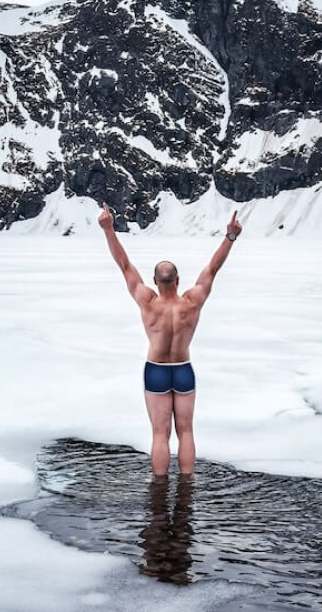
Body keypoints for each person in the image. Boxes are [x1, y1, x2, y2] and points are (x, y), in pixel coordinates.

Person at [98, 203, 243, 476]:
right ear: (178, 280)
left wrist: (108, 230)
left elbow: (124, 265)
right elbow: (213, 269)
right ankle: (187, 489)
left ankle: (159, 491)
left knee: (159, 434)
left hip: (156, 372)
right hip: (183, 370)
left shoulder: (147, 300)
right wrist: (230, 237)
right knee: (186, 431)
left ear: (155, 280)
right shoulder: (192, 301)